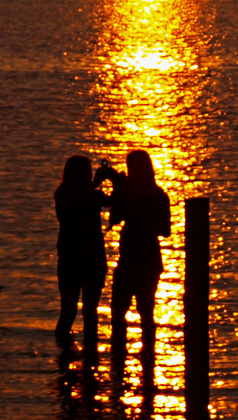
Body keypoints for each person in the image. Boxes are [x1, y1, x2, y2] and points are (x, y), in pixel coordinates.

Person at [107, 149, 172, 353]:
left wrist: (139, 217)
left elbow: (165, 229)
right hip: (127, 259)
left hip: (147, 260)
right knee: (118, 311)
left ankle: (148, 354)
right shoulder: (129, 193)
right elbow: (114, 218)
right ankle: (119, 355)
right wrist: (119, 191)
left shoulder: (157, 195)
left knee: (145, 311)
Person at [53, 155, 112, 356]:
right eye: (85, 172)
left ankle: (90, 355)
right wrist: (96, 182)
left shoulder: (93, 195)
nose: (88, 176)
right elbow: (75, 200)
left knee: (90, 311)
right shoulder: (63, 194)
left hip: (93, 259)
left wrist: (117, 181)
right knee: (68, 311)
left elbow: (114, 202)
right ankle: (64, 354)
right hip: (71, 259)